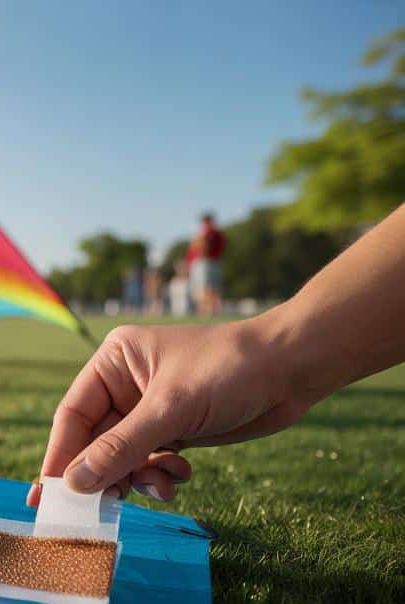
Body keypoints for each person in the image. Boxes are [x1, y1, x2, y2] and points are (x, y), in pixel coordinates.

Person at [28, 201, 405, 508]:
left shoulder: (210, 236)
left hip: (218, 281)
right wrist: (277, 354)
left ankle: (212, 314)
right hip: (239, 308)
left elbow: (207, 250)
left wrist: (273, 350)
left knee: (209, 293)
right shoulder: (203, 237)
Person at [187, 212, 226, 317]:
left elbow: (202, 246)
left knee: (207, 287)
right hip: (211, 261)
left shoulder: (209, 232)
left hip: (205, 262)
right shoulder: (215, 233)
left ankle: (207, 310)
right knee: (211, 286)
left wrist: (197, 243)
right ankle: (211, 309)